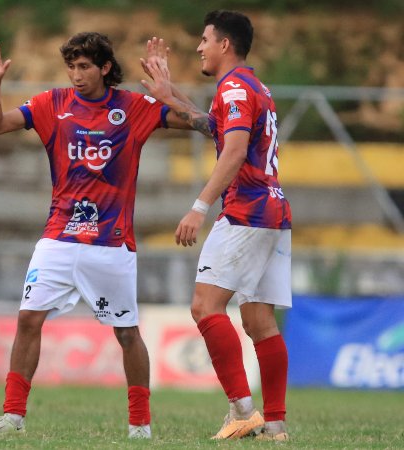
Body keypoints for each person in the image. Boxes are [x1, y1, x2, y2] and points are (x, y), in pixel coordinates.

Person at [0, 32, 210, 439]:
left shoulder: (132, 108)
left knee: (126, 333)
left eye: (84, 66)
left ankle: (140, 424)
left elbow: (207, 125)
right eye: (71, 66)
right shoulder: (53, 104)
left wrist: (170, 93)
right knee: (28, 319)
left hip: (111, 244)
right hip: (58, 238)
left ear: (104, 68)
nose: (76, 75)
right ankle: (13, 416)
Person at [173, 10, 292, 441]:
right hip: (273, 211)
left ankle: (242, 410)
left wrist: (199, 207)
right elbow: (218, 130)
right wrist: (171, 96)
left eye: (205, 39)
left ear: (225, 44)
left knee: (205, 306)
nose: (199, 47)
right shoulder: (253, 86)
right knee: (260, 320)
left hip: (246, 210)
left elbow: (235, 150)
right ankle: (275, 424)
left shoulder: (236, 87)